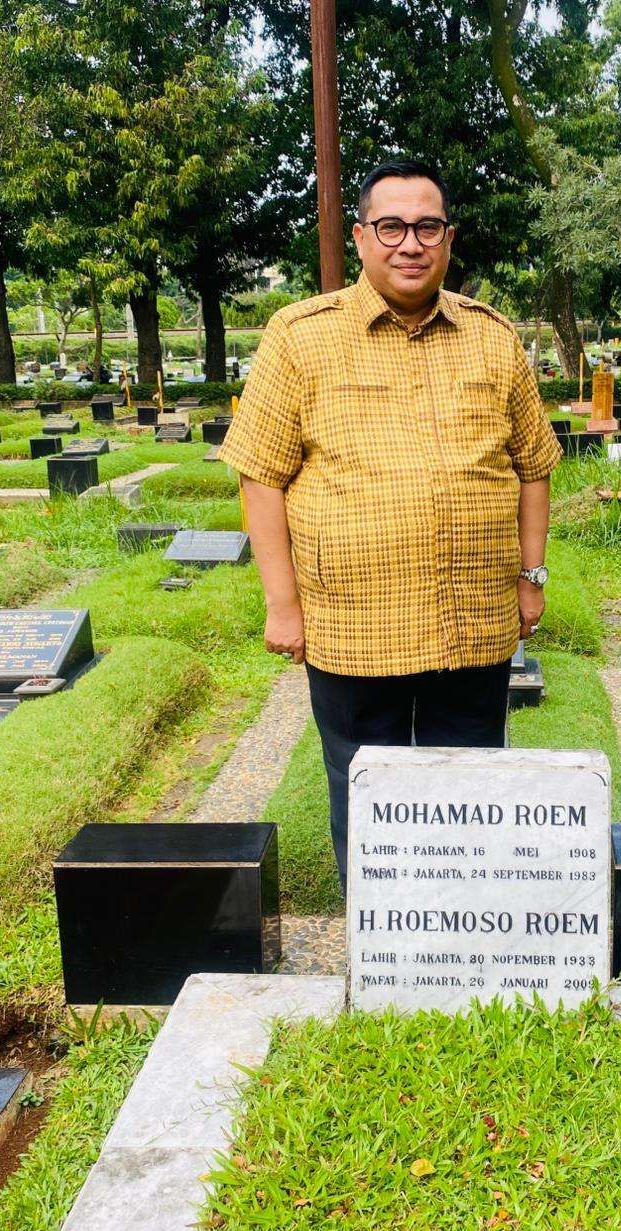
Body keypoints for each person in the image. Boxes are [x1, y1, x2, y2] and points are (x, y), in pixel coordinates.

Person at [218, 159, 561, 895]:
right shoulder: (299, 336)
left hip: (472, 620)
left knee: (467, 784)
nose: (411, 243)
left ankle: (462, 921)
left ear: (448, 238)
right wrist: (283, 604)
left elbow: (534, 465)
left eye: (428, 227)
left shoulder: (493, 336)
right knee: (365, 786)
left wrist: (531, 577)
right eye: (392, 227)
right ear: (362, 236)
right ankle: (380, 927)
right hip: (352, 624)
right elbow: (261, 476)